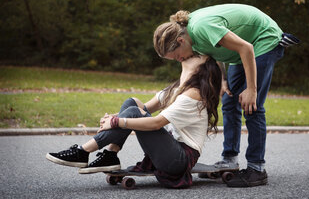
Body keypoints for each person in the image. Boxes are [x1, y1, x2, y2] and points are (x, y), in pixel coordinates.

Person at [153, 3, 298, 188]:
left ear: (181, 41)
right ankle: (229, 159)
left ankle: (257, 168)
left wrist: (251, 89)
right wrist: (222, 79)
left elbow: (246, 48)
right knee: (229, 100)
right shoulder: (191, 38)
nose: (180, 60)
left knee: (251, 106)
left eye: (177, 57)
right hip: (242, 50)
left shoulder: (201, 27)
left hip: (262, 41)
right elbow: (216, 49)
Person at [46, 55, 222, 189]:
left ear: (199, 72)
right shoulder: (178, 89)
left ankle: (83, 152)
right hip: (168, 148)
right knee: (132, 103)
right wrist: (113, 118)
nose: (190, 56)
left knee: (131, 113)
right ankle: (110, 155)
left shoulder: (193, 95)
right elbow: (143, 108)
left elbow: (155, 123)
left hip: (179, 159)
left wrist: (117, 122)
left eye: (197, 57)